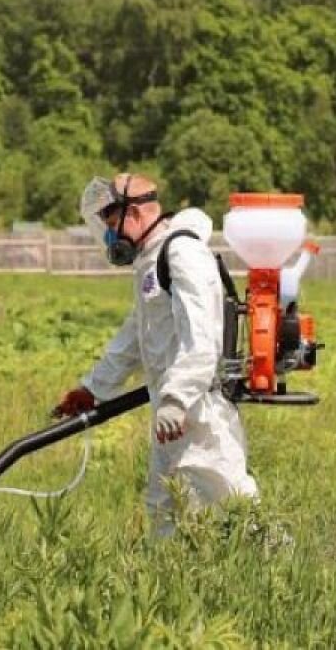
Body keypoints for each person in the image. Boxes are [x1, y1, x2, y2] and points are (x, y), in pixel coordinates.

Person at [53, 173, 258, 536]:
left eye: (112, 224)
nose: (110, 236)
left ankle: (282, 577)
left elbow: (202, 337)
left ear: (133, 213)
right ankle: (173, 585)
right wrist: (92, 389)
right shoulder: (151, 261)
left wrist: (177, 398)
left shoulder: (181, 253)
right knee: (167, 515)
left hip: (200, 415)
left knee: (236, 510)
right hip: (171, 417)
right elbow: (136, 336)